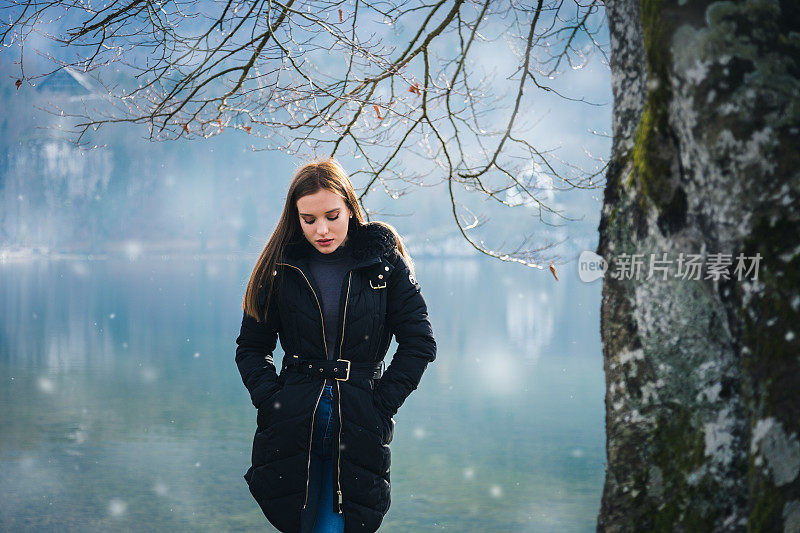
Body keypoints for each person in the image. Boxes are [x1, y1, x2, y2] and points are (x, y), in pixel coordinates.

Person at [235, 157, 437, 532]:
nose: (321, 229)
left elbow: (419, 343)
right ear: (295, 217)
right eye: (308, 219)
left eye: (332, 215)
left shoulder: (383, 263)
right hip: (293, 421)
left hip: (360, 420)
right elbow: (251, 348)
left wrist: (381, 404)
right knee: (299, 521)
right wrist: (272, 401)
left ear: (350, 207)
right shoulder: (279, 267)